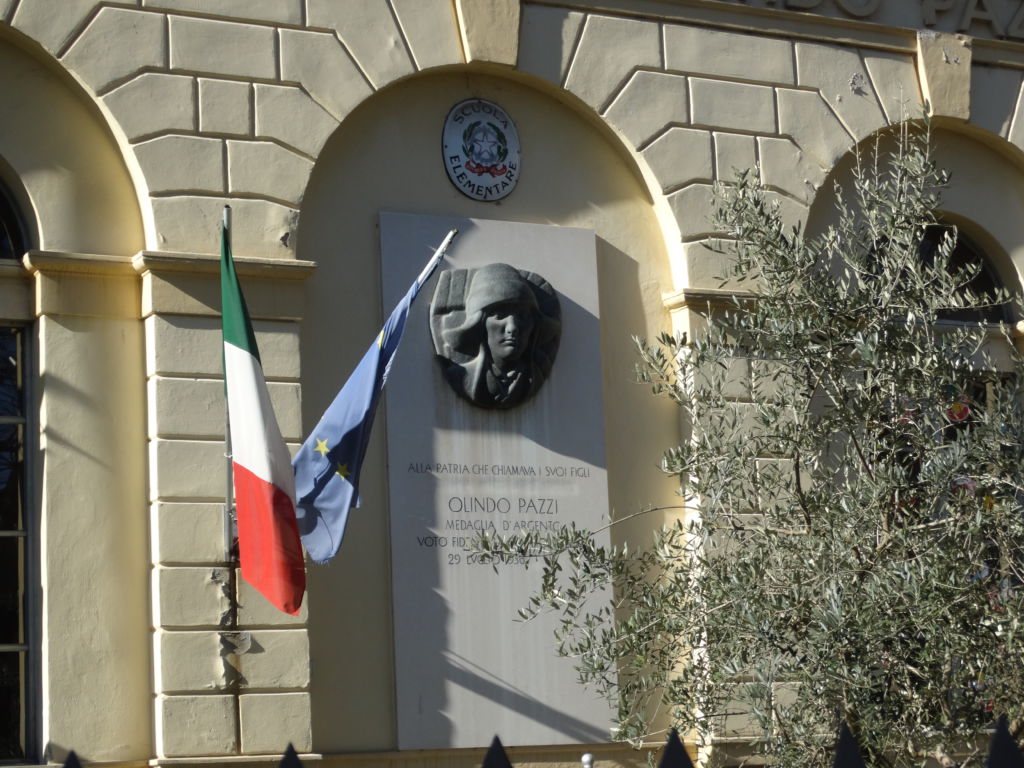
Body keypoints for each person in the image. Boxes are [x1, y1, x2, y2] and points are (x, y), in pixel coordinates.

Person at [433, 262, 560, 409]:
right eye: (499, 315)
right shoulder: (459, 376)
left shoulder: (535, 376)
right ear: (480, 324)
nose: (512, 328)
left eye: (522, 316)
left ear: (534, 326)